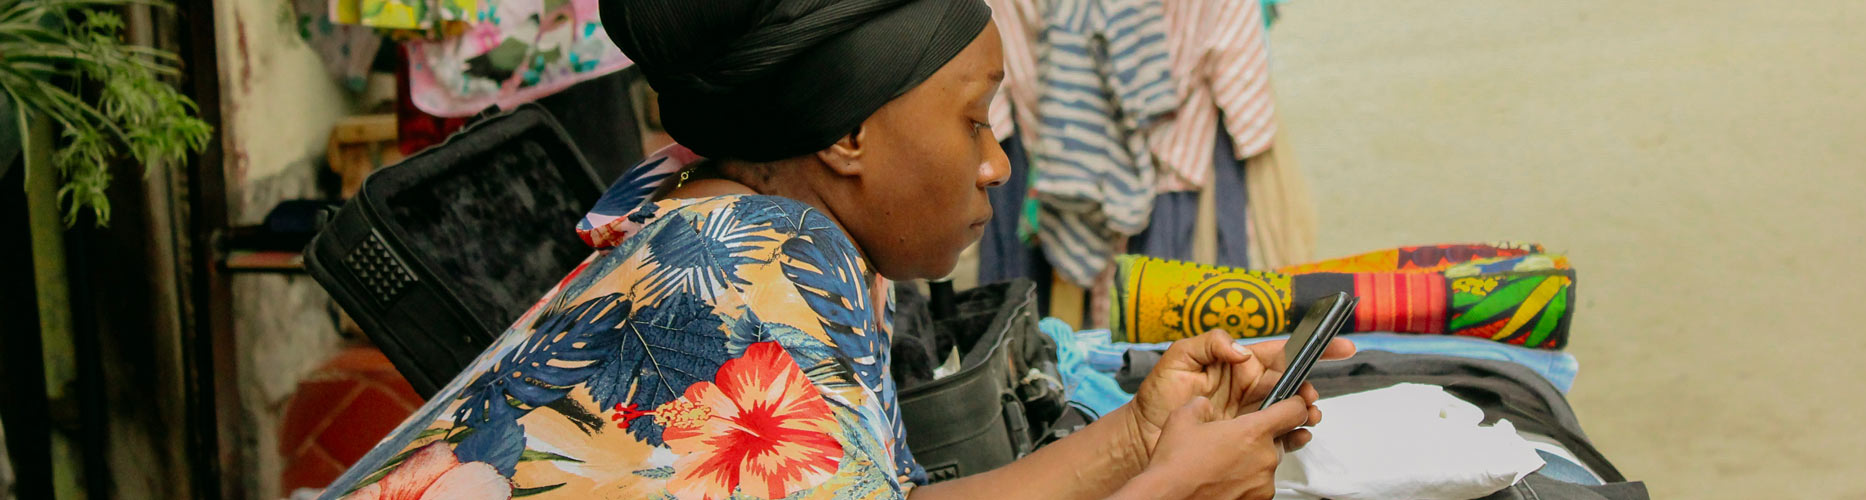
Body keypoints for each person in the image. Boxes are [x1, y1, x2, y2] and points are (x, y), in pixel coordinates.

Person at [319, 0, 1356, 498]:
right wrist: (1169, 486)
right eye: (973, 120)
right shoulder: (744, 278)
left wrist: (1140, 436)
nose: (997, 165)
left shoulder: (737, 218)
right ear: (848, 132)